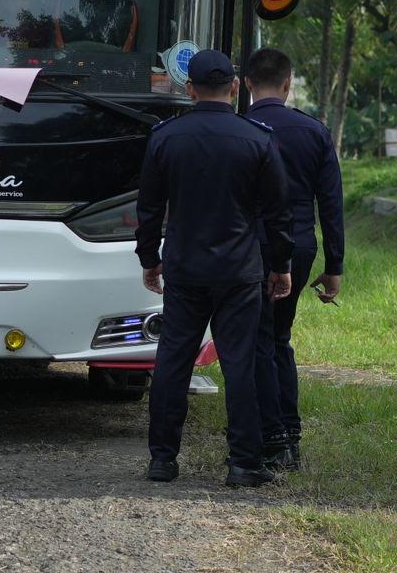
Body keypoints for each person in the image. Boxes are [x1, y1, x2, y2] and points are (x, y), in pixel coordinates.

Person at [136, 48, 293, 488]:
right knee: (240, 364)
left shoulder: (166, 137)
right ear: (235, 87)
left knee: (172, 360)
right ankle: (243, 463)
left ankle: (162, 460)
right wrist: (279, 265)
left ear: (189, 89)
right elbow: (278, 214)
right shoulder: (258, 138)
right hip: (240, 271)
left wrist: (150, 259)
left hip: (185, 269)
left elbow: (148, 207)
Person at [243, 46, 344, 473]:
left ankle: (273, 436)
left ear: (246, 84)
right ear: (288, 84)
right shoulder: (315, 132)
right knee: (279, 337)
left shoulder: (239, 128)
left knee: (260, 341)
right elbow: (331, 204)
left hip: (250, 245)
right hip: (301, 245)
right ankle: (290, 435)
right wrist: (335, 265)